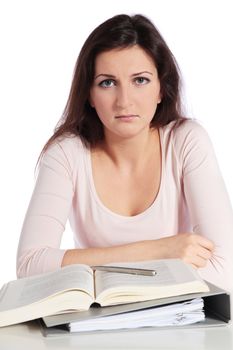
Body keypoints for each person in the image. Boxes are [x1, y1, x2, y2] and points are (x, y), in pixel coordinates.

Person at [17, 14, 233, 292]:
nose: (124, 101)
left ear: (161, 89)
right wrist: (159, 250)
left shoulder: (186, 141)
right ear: (89, 95)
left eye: (140, 80)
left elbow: (225, 272)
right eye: (107, 83)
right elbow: (30, 265)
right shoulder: (67, 153)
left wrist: (92, 263)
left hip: (178, 322)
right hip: (94, 323)